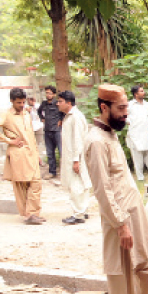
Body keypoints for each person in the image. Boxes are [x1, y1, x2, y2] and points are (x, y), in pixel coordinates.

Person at [84, 84, 148, 294]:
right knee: (121, 268)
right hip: (117, 216)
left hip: (132, 208)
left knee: (146, 256)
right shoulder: (96, 141)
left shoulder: (110, 134)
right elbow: (103, 189)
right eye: (120, 109)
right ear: (103, 107)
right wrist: (120, 224)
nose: (125, 114)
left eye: (125, 108)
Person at [1, 88, 44, 224]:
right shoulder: (6, 114)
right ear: (11, 101)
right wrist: (9, 141)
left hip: (31, 152)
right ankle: (29, 214)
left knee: (36, 182)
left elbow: (31, 134)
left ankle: (32, 213)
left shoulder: (26, 113)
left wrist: (37, 153)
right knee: (21, 184)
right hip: (17, 153)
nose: (21, 105)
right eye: (19, 102)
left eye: (23, 102)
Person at [57, 90, 91, 225]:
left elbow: (78, 139)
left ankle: (78, 214)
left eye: (60, 101)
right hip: (72, 156)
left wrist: (76, 160)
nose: (58, 104)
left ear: (68, 102)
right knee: (79, 184)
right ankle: (82, 209)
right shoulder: (70, 116)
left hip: (76, 157)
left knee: (76, 185)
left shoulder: (75, 117)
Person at [126, 85, 148, 181]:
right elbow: (124, 116)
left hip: (147, 134)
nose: (143, 92)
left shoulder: (147, 105)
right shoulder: (130, 105)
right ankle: (140, 177)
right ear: (136, 94)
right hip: (135, 134)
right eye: (141, 91)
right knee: (137, 158)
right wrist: (128, 121)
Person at [38, 85, 63, 179]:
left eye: (50, 93)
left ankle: (63, 172)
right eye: (47, 93)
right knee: (50, 152)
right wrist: (42, 118)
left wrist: (61, 120)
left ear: (54, 94)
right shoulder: (44, 104)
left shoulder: (57, 103)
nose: (48, 95)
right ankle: (52, 172)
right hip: (47, 131)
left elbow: (63, 112)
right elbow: (39, 111)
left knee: (61, 152)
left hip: (57, 131)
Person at [25, 95, 46, 164]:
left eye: (28, 101)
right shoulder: (28, 108)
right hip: (31, 128)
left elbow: (41, 116)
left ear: (32, 100)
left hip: (38, 127)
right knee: (31, 144)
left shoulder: (38, 107)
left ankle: (39, 159)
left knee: (37, 144)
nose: (27, 102)